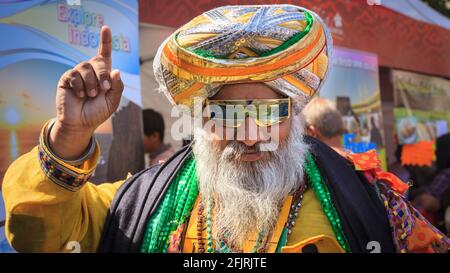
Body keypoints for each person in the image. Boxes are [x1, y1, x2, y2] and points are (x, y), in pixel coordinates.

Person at [3, 5, 449, 253]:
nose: (251, 134)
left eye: (271, 113)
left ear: (294, 114)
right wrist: (69, 134)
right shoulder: (141, 204)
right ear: (199, 119)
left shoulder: (369, 205)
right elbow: (39, 236)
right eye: (228, 115)